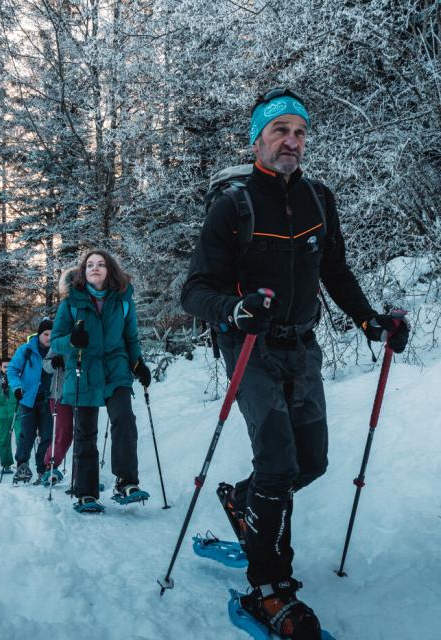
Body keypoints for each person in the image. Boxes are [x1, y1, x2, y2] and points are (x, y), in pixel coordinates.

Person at [181, 88, 409, 639]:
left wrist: (369, 321)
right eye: (280, 129)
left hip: (302, 347)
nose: (292, 141)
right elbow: (194, 291)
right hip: (249, 349)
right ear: (258, 138)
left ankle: (244, 500)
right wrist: (233, 310)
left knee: (313, 461)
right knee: (279, 464)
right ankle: (269, 589)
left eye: (300, 132)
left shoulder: (319, 199)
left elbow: (336, 271)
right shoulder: (233, 203)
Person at [51, 249, 152, 513]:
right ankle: (86, 493)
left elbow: (131, 338)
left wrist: (137, 363)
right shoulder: (71, 304)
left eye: (101, 264)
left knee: (125, 419)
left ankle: (126, 482)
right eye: (90, 265)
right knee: (85, 431)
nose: (95, 268)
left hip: (116, 368)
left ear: (109, 270)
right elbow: (56, 341)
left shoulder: (123, 301)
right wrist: (72, 340)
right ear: (83, 273)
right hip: (83, 370)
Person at [7, 318, 54, 484]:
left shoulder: (56, 351)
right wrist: (17, 388)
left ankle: (43, 469)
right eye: (46, 334)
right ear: (39, 334)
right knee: (27, 435)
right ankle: (22, 465)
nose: (49, 337)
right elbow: (12, 370)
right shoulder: (26, 350)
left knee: (47, 436)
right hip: (27, 400)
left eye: (51, 334)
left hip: (49, 401)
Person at [40, 350, 72, 486]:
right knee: (64, 433)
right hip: (60, 393)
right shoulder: (60, 337)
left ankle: (84, 473)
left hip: (83, 392)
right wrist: (53, 363)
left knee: (85, 434)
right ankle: (50, 466)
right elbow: (46, 364)